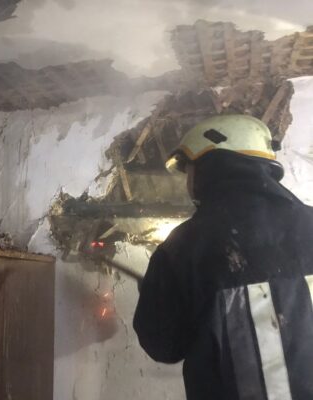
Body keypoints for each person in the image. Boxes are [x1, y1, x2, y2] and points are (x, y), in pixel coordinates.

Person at [133, 115, 313, 400]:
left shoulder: (185, 246)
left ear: (211, 165)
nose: (187, 182)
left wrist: (155, 294)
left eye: (189, 170)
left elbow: (164, 345)